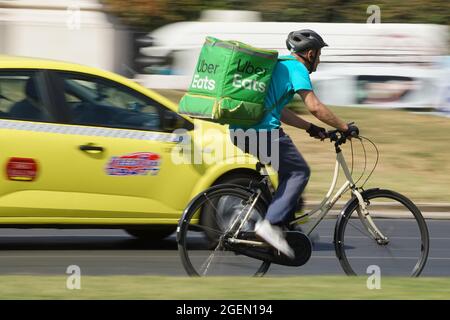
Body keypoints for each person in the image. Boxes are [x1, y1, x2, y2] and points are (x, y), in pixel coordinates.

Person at [230, 29, 359, 258]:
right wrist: (344, 127)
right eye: (319, 55)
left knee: (288, 172)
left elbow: (280, 111)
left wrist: (310, 128)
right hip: (262, 133)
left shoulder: (281, 65)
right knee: (299, 172)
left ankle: (284, 226)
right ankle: (270, 225)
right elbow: (315, 107)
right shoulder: (298, 68)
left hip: (241, 131)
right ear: (310, 53)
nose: (319, 60)